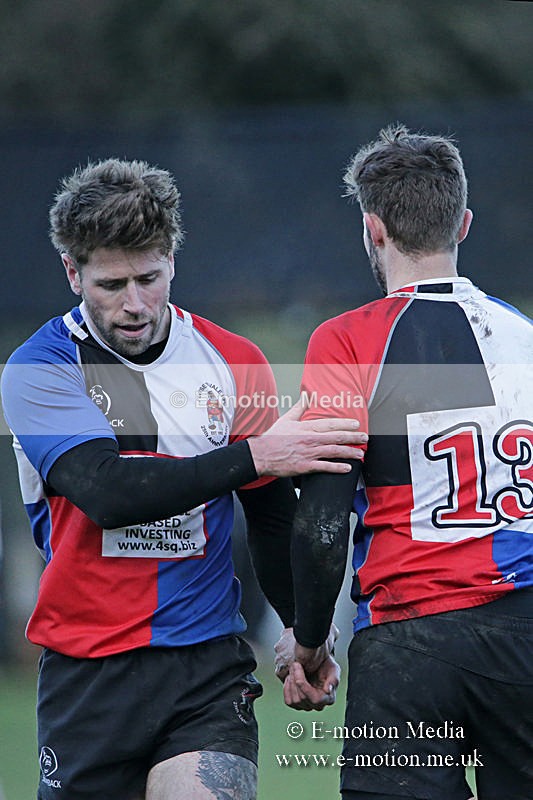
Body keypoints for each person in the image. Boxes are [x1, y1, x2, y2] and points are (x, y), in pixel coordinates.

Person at [0, 158, 366, 800]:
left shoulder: (233, 360)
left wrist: (300, 631)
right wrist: (256, 456)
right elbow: (107, 493)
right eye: (111, 284)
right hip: (86, 673)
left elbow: (271, 516)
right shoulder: (41, 367)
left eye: (149, 278)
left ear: (172, 260)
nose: (134, 304)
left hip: (205, 668)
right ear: (72, 273)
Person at [280, 125, 533, 800]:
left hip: (410, 639)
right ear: (464, 223)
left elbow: (323, 524)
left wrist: (309, 641)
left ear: (373, 230)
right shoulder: (523, 336)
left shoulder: (346, 341)